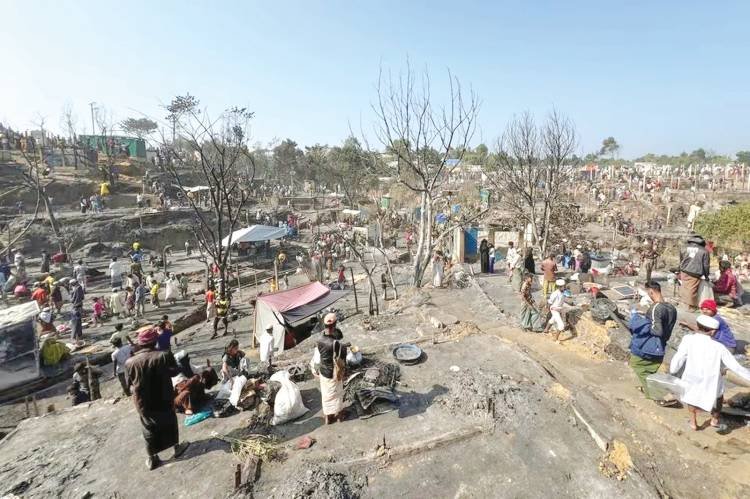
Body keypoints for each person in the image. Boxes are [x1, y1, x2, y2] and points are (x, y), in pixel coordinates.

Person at [670, 314, 750, 431]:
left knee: (690, 396)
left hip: (692, 376)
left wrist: (673, 370)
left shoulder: (688, 339)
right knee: (718, 398)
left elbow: (679, 357)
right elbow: (735, 366)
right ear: (712, 332)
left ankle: (693, 423)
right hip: (712, 379)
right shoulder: (719, 347)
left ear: (698, 326)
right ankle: (714, 420)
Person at [125, 328, 190, 471]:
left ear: (141, 344)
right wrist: (180, 365)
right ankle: (176, 448)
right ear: (155, 342)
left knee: (148, 427)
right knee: (169, 422)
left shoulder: (129, 362)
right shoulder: (164, 355)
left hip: (143, 401)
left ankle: (152, 457)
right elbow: (174, 372)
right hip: (163, 397)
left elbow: (128, 385)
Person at [628, 281, 678, 406]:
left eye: (648, 293)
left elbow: (657, 330)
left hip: (650, 346)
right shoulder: (671, 308)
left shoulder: (656, 307)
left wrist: (640, 321)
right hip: (661, 347)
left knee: (637, 364)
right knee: (651, 369)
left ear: (651, 291)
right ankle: (650, 388)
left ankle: (658, 395)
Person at [312, 313, 347, 424]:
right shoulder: (335, 343)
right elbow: (341, 359)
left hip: (323, 371)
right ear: (335, 324)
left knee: (327, 395)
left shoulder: (319, 339)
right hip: (333, 372)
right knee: (337, 393)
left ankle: (328, 417)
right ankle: (340, 416)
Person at [679, 235, 710, 310]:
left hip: (684, 270)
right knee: (692, 290)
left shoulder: (683, 248)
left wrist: (679, 269)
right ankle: (690, 307)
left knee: (684, 287)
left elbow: (681, 260)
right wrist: (706, 276)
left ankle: (683, 303)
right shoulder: (704, 251)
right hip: (695, 272)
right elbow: (706, 265)